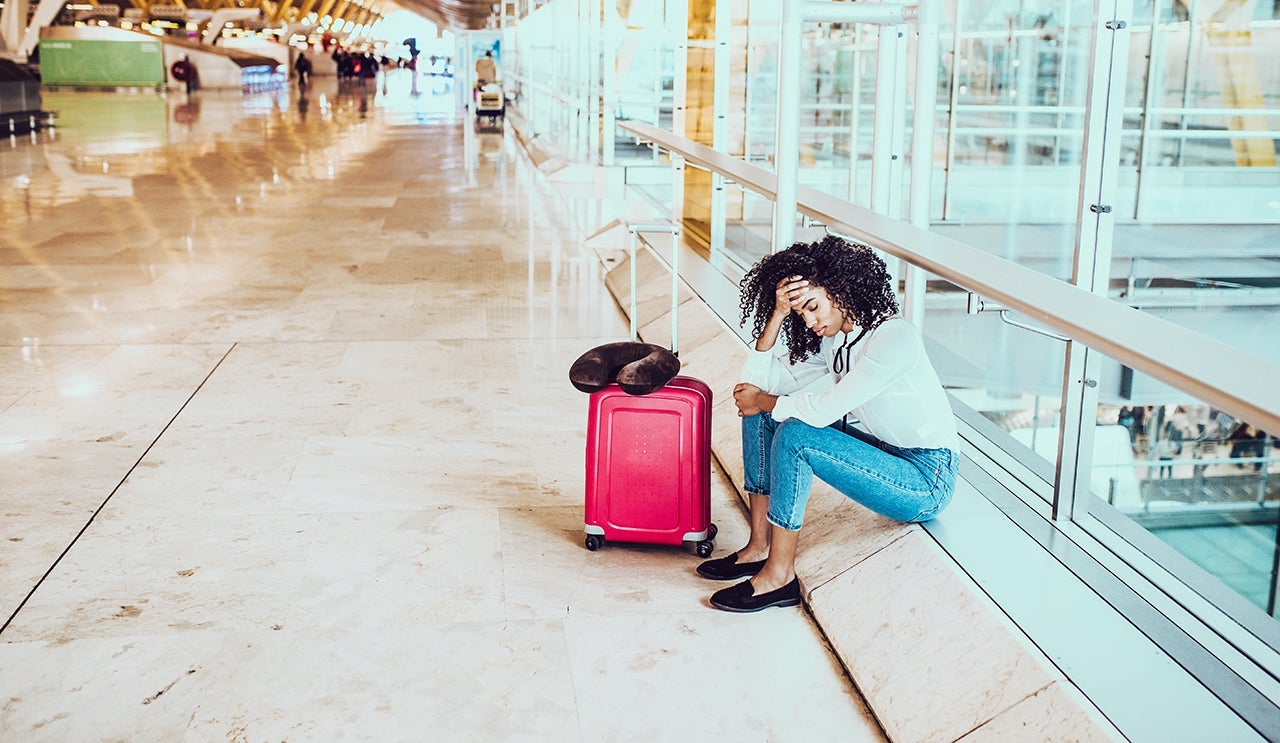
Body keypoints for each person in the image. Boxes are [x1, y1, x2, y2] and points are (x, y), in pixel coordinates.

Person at [698, 236, 959, 613]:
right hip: (884, 453)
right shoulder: (836, 340)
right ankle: (759, 547)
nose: (809, 320)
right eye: (800, 312)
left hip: (926, 478)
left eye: (813, 307)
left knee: (796, 433)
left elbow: (823, 410)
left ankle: (779, 576)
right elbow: (761, 386)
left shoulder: (894, 337)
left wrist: (763, 399)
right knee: (763, 414)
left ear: (840, 289)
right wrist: (776, 315)